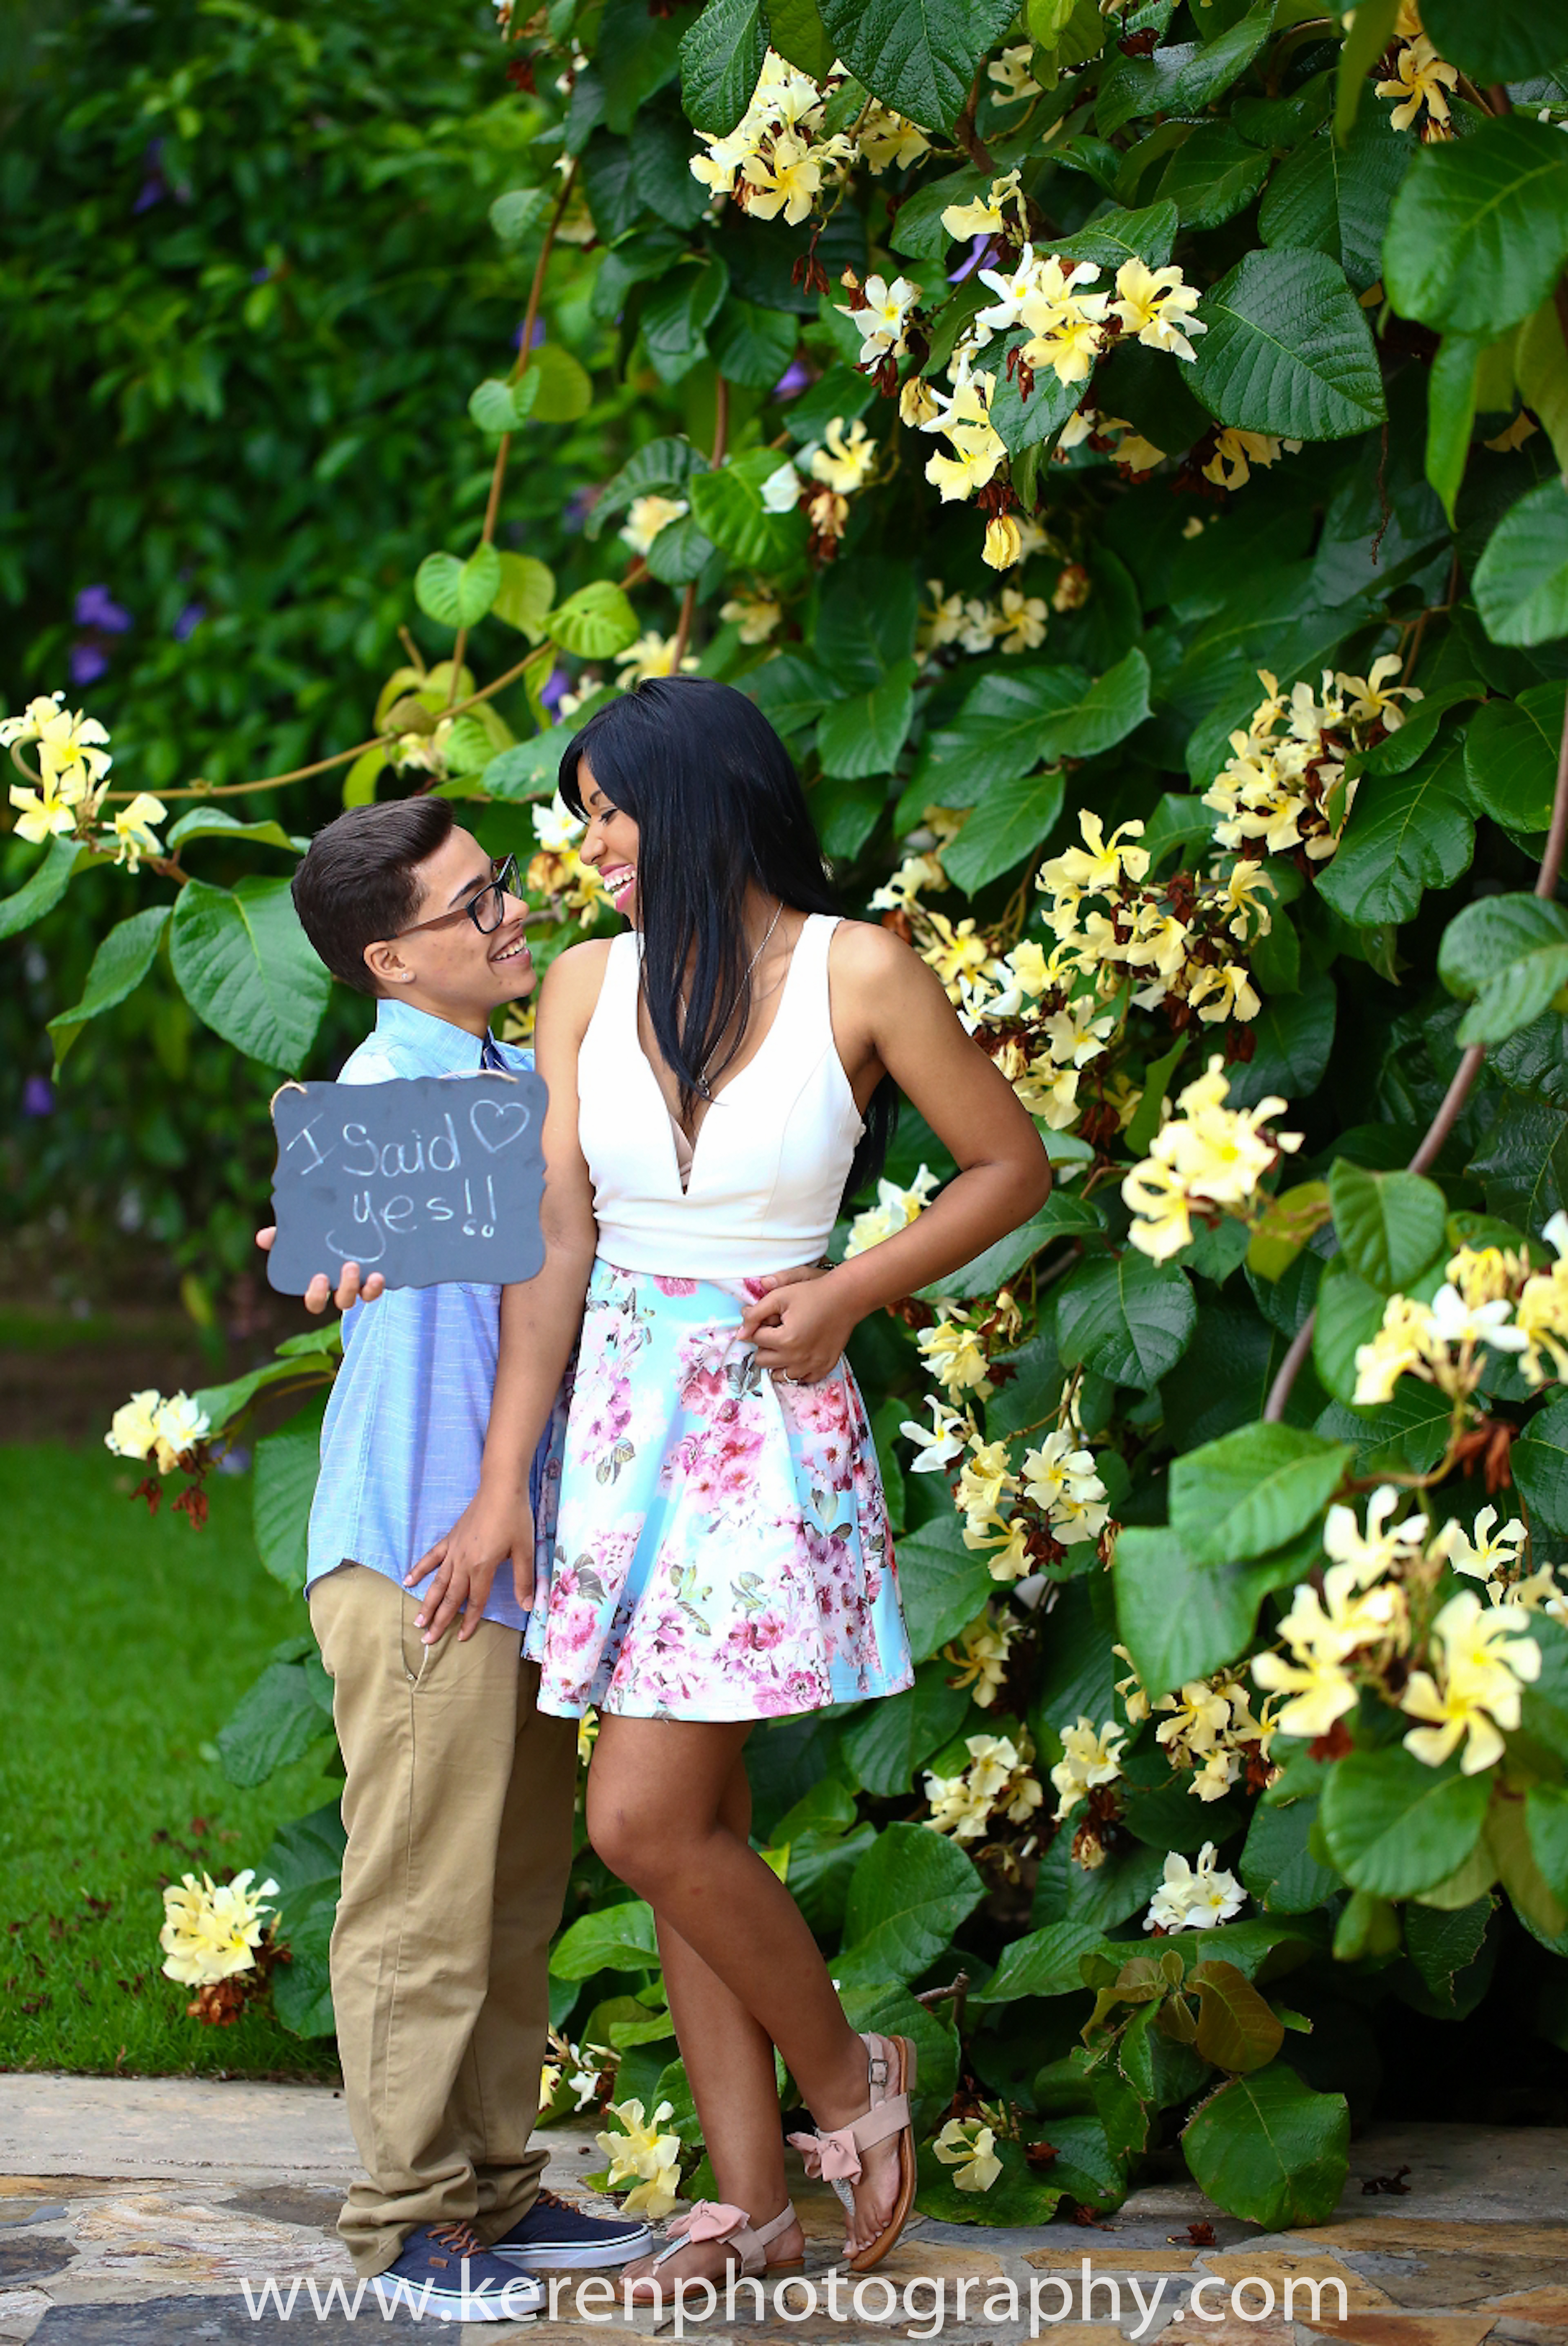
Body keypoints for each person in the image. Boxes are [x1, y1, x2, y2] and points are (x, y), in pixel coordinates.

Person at [409, 677, 1051, 2295]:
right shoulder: (578, 986)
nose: (591, 847)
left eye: (611, 812)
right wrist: (505, 1489)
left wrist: (851, 1289)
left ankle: (852, 2083)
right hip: (623, 1428)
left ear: (698, 801)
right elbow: (556, 1251)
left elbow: (1009, 1164)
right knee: (686, 1821)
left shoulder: (862, 971)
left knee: (641, 1818)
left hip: (766, 1428)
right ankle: (752, 2206)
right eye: (579, 818)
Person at [271, 800, 654, 2324]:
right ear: (390, 957)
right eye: (471, 904)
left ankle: (493, 2186)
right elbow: (329, 1241)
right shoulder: (391, 1088)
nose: (511, 914)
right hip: (420, 1552)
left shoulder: (502, 1074)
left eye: (499, 885)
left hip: (511, 1551)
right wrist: (314, 1249)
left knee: (507, 1890)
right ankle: (404, 2220)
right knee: (421, 1897)